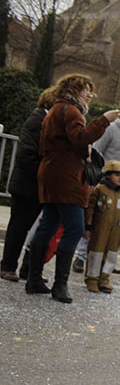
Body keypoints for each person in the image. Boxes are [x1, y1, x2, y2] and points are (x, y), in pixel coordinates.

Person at [25, 74, 120, 303]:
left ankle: (33, 278)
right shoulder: (70, 110)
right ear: (74, 90)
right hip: (66, 176)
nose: (90, 95)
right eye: (86, 90)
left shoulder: (57, 109)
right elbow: (80, 138)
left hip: (51, 173)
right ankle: (60, 285)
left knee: (48, 223)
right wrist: (104, 120)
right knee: (75, 228)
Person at [72, 99, 120, 273]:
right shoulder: (111, 129)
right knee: (94, 219)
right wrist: (96, 177)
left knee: (116, 223)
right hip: (104, 182)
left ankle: (107, 261)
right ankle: (81, 257)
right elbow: (97, 151)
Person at [1, 88, 54, 282]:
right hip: (27, 186)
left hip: (38, 186)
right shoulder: (37, 120)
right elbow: (25, 155)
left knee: (35, 230)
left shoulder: (46, 121)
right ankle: (7, 266)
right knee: (19, 228)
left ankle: (27, 268)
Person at [82, 160, 120, 293]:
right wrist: (87, 227)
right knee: (96, 252)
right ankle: (92, 279)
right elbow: (91, 208)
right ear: (108, 175)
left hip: (117, 230)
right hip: (100, 228)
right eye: (116, 174)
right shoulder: (100, 189)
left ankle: (104, 279)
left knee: (111, 254)